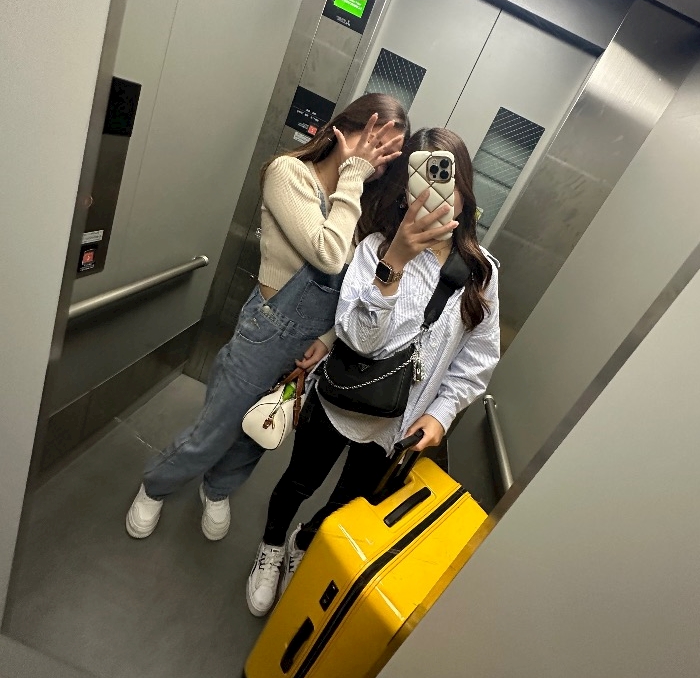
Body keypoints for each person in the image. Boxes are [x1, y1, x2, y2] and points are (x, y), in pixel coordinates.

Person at [126, 94, 409, 541]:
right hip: (266, 332)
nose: (377, 158)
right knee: (217, 429)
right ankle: (157, 485)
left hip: (310, 345)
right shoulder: (291, 174)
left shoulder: (358, 208)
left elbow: (352, 292)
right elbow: (329, 254)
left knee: (258, 433)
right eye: (374, 140)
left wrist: (328, 338)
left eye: (390, 154)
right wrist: (353, 175)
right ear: (345, 129)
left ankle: (217, 489)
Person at [246, 127, 500, 616]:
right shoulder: (373, 250)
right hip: (339, 403)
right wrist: (395, 262)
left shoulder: (482, 273)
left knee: (347, 502)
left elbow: (477, 358)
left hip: (397, 427)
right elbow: (360, 340)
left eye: (444, 179)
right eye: (420, 179)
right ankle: (271, 546)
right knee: (298, 483)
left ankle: (303, 542)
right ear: (404, 190)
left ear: (464, 190)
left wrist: (442, 413)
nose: (432, 194)